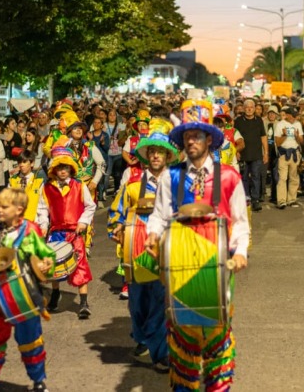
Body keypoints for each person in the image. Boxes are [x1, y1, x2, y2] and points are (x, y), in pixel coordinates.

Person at [144, 100, 249, 391]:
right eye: (187, 136)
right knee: (182, 343)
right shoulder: (171, 175)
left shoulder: (229, 176)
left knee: (218, 340)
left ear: (209, 140)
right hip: (179, 267)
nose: (191, 141)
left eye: (197, 135)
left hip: (218, 265)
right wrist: (152, 234)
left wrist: (241, 252)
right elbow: (159, 215)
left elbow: (240, 221)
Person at [108, 131, 179, 371]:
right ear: (147, 156)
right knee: (138, 302)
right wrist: (117, 229)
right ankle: (141, 335)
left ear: (168, 156)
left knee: (160, 300)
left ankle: (160, 352)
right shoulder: (132, 185)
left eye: (160, 152)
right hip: (136, 251)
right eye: (152, 152)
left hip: (166, 250)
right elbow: (116, 212)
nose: (156, 156)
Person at [0, 188, 55, 392]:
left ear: (19, 209)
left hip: (25, 296)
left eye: (4, 207)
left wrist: (46, 264)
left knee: (31, 341)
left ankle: (38, 381)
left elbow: (46, 254)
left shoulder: (30, 231)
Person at [35, 142, 96, 319]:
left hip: (74, 233)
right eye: (59, 167)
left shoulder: (79, 186)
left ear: (71, 168)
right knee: (54, 266)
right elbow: (42, 209)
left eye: (66, 167)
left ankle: (83, 302)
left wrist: (83, 222)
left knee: (80, 265)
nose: (62, 171)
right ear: (54, 169)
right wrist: (43, 225)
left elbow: (90, 206)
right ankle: (55, 293)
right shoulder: (46, 187)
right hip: (55, 233)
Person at [233, 98, 268, 211]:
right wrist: (236, 151)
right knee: (243, 178)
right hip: (243, 155)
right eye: (247, 107)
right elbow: (234, 137)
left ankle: (255, 200)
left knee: (256, 177)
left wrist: (266, 153)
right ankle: (245, 199)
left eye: (251, 107)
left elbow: (263, 137)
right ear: (243, 109)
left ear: (254, 109)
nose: (249, 109)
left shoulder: (259, 120)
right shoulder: (238, 121)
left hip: (256, 155)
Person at [274, 107, 303, 209]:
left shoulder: (298, 124)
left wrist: (297, 136)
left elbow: (301, 142)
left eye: (295, 116)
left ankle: (292, 200)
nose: (294, 118)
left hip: (295, 153)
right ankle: (281, 201)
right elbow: (277, 143)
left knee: (294, 178)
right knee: (282, 178)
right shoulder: (280, 124)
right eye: (292, 116)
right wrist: (284, 135)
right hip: (283, 154)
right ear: (287, 115)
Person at [8, 150, 46, 222]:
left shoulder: (38, 181)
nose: (21, 165)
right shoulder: (12, 180)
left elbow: (42, 206)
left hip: (33, 222)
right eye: (19, 162)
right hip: (16, 222)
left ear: (32, 163)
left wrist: (44, 223)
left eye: (24, 162)